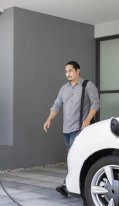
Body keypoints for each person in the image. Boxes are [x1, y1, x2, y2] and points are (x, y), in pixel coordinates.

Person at [43, 60, 100, 198]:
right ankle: (73, 185)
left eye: (70, 71)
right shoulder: (64, 88)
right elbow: (57, 105)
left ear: (78, 71)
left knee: (75, 157)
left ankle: (67, 185)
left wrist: (87, 121)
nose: (67, 73)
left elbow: (95, 104)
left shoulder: (87, 85)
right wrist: (49, 119)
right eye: (66, 71)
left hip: (80, 128)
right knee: (72, 158)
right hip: (66, 129)